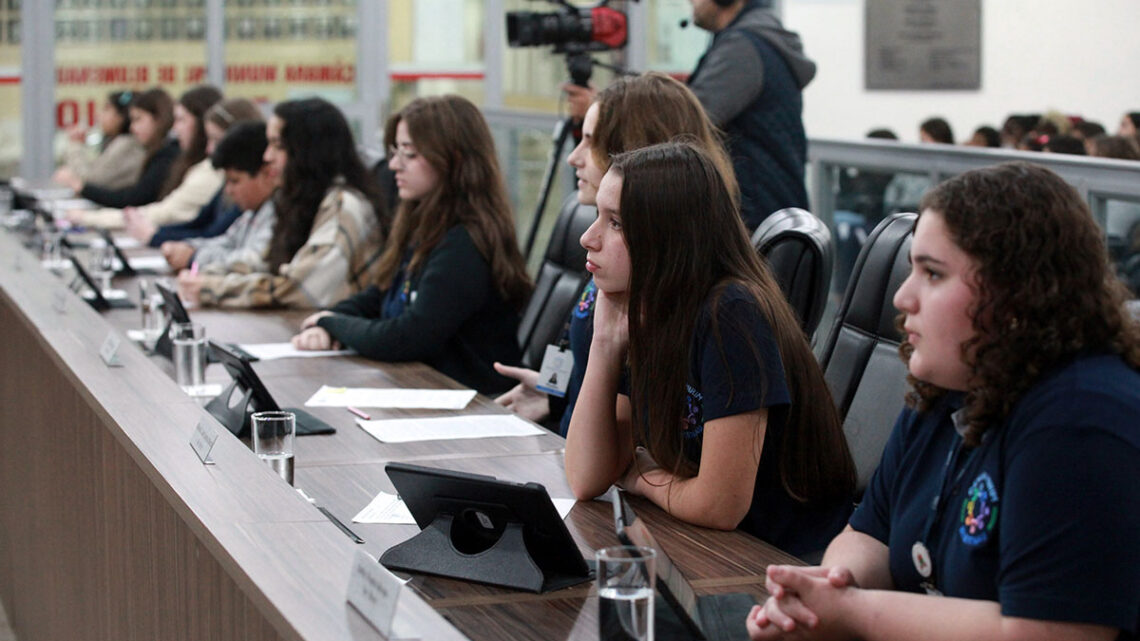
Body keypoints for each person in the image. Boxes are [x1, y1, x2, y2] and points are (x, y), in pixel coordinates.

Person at [747, 161, 1140, 641]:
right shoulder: (950, 383)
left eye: (932, 274)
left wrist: (854, 612)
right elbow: (870, 534)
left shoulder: (1083, 420)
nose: (903, 296)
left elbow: (1052, 632)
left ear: (1018, 293)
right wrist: (826, 593)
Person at [564, 142, 856, 557]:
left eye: (616, 224)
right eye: (599, 216)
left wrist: (642, 478)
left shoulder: (732, 314)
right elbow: (586, 476)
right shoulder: (646, 307)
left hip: (781, 560)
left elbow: (719, 506)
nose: (588, 237)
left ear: (668, 236)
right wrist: (605, 344)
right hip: (711, 544)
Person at [495, 72, 737, 433]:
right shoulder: (610, 246)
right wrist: (553, 392)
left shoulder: (679, 280)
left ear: (634, 149)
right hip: (572, 450)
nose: (573, 158)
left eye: (590, 142)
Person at [290, 95, 532, 395]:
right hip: (427, 389)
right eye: (395, 152)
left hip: (474, 404)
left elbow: (407, 337)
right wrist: (326, 322)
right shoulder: (425, 223)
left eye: (409, 154)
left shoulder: (466, 242)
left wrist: (333, 323)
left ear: (452, 160)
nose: (394, 165)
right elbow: (377, 298)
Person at [565, 0, 813, 231]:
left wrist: (602, 115)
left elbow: (679, 128)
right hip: (761, 213)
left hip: (754, 221)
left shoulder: (743, 48)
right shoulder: (749, 41)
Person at [176, 97, 387, 310]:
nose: (267, 156)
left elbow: (299, 289)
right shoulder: (302, 201)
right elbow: (264, 263)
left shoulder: (343, 206)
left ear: (307, 150)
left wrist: (212, 288)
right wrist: (209, 275)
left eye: (278, 146)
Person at [69, 85, 224, 237]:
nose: (175, 128)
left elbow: (152, 206)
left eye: (181, 120)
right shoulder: (177, 158)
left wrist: (89, 212)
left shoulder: (195, 166)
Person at [160, 122, 275, 273]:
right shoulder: (253, 211)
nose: (228, 190)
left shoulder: (278, 213)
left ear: (265, 174)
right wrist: (188, 247)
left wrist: (194, 257)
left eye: (235, 181)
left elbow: (252, 261)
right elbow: (227, 241)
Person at [150, 97, 265, 249]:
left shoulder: (248, 188)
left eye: (216, 140)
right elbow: (201, 222)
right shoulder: (227, 180)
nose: (209, 149)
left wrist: (156, 237)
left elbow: (215, 234)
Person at [59, 87, 179, 208]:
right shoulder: (135, 145)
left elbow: (96, 182)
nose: (99, 115)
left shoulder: (131, 145)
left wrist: (75, 148)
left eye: (138, 119)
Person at [53, 90, 146, 191]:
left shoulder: (126, 144)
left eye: (107, 109)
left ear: (121, 117)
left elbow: (90, 180)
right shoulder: (112, 141)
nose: (99, 115)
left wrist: (76, 145)